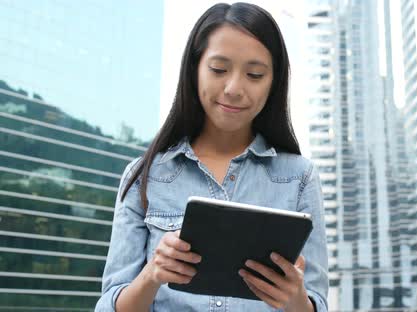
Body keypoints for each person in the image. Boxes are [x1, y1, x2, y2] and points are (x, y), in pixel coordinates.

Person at [94, 2, 328, 312]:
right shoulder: (144, 177)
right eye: (218, 69)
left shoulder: (299, 178)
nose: (233, 88)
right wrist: (152, 274)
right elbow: (109, 306)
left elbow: (317, 304)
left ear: (274, 83)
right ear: (195, 69)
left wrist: (294, 297)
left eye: (255, 75)